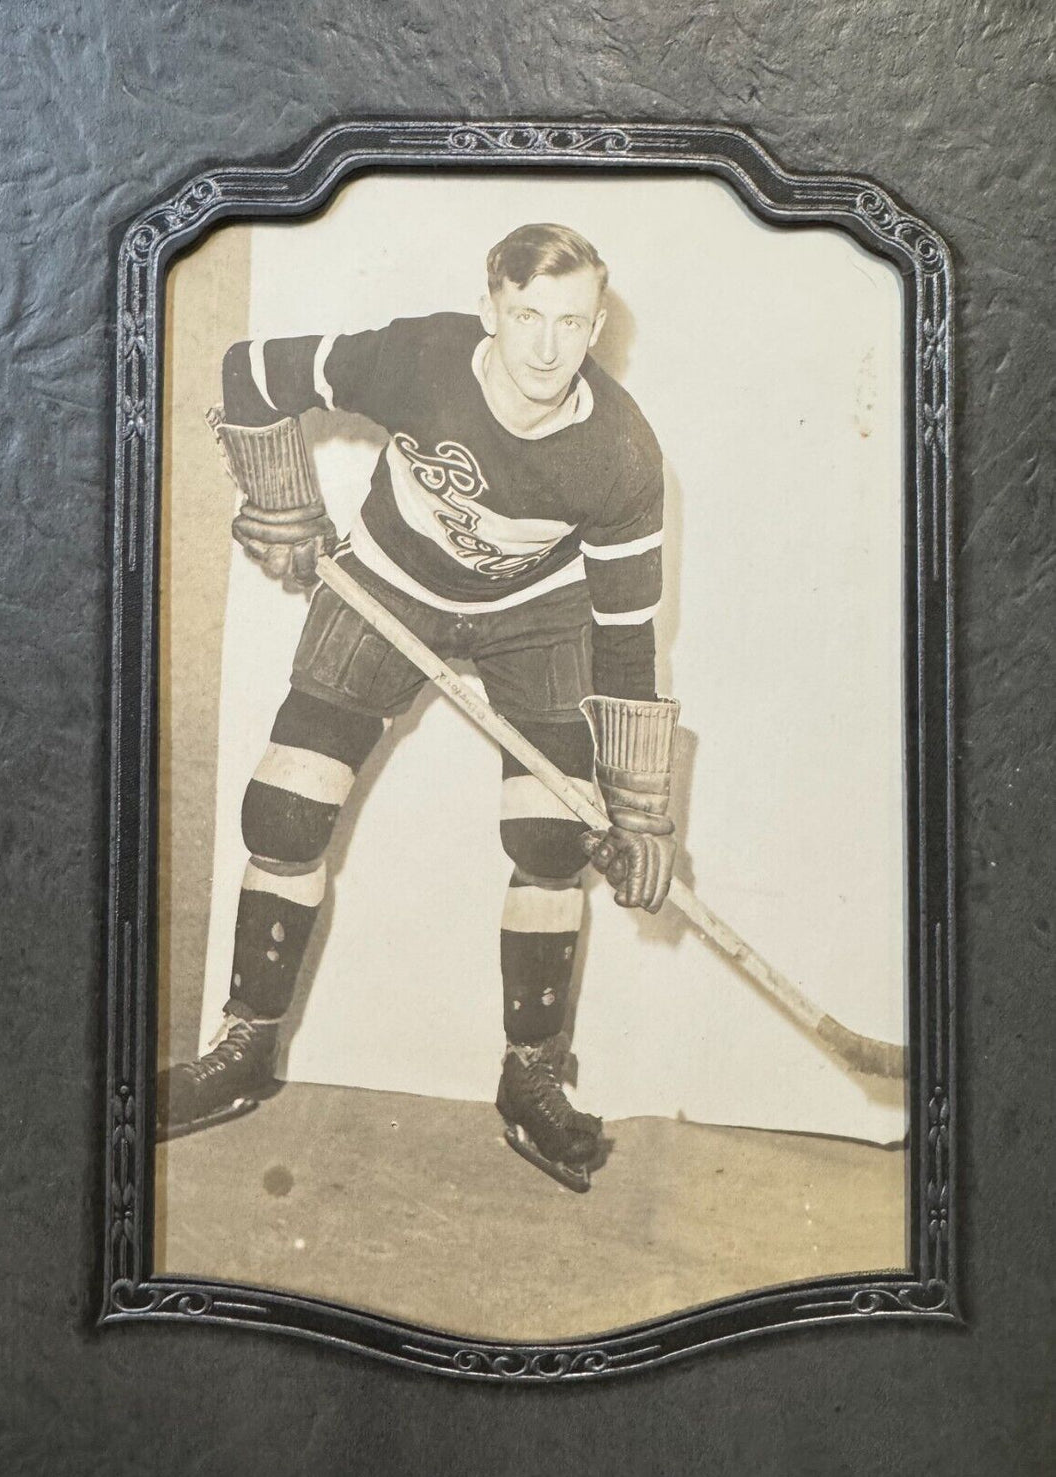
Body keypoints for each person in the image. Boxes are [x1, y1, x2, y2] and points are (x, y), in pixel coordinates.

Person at [158, 223, 680, 1191]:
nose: (545, 345)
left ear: (598, 323)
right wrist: (283, 502)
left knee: (553, 841)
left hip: (538, 614)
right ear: (490, 308)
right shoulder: (417, 360)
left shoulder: (621, 454)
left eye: (571, 321)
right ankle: (244, 1047)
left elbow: (625, 637)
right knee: (283, 808)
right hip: (388, 580)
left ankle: (530, 1078)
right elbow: (255, 374)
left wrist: (639, 809)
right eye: (526, 314)